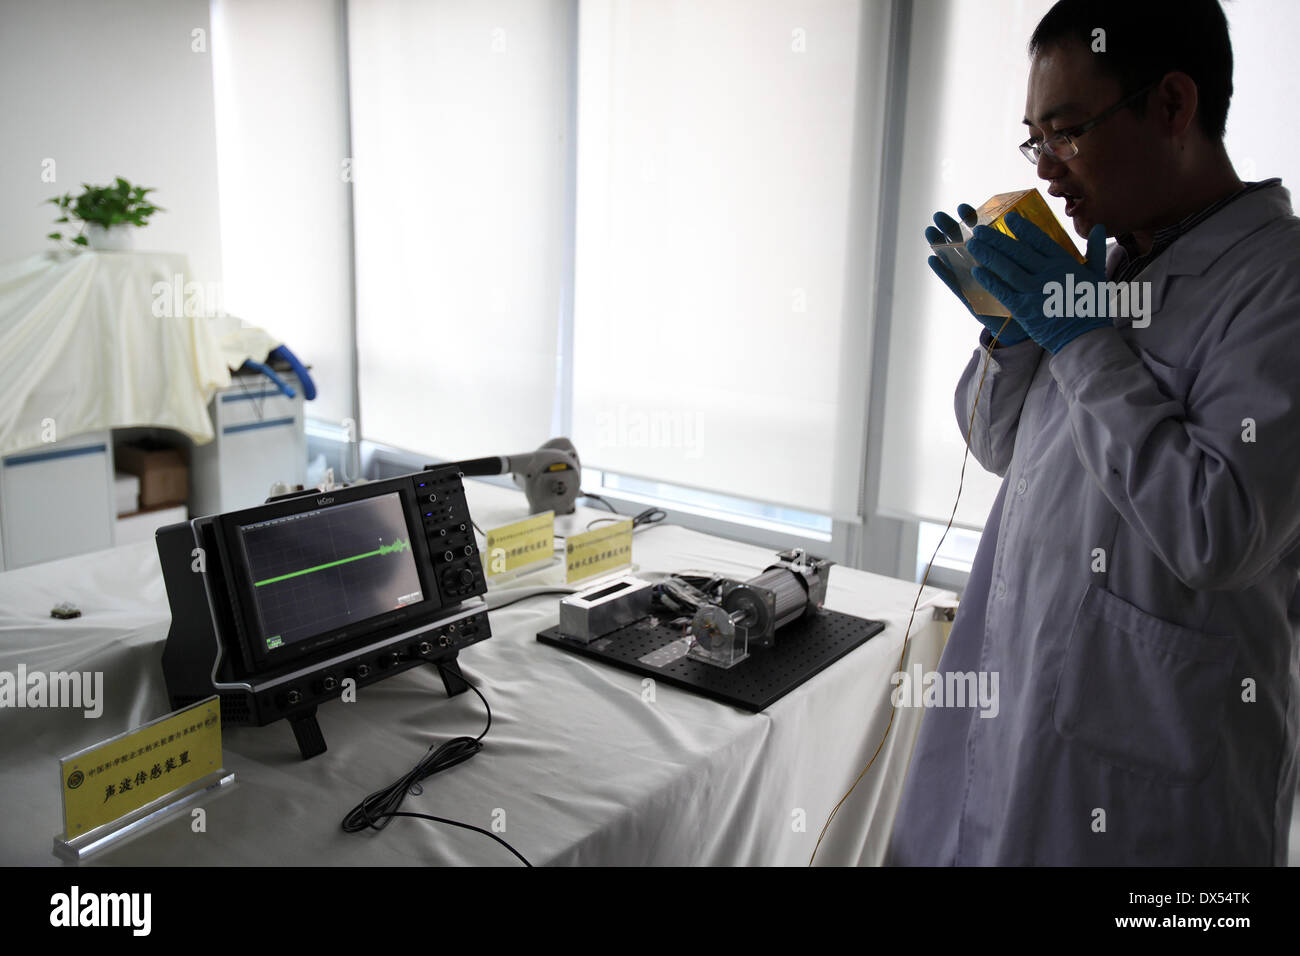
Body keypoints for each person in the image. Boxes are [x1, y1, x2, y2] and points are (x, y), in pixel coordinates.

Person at [886, 0, 1300, 865]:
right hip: (1023, 721)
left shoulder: (1277, 287)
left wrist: (1079, 341)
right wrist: (1014, 331)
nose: (1050, 170)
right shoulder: (1107, 265)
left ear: (1174, 106)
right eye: (1033, 140)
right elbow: (1003, 451)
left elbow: (1218, 529)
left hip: (1156, 786)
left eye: (1068, 133)